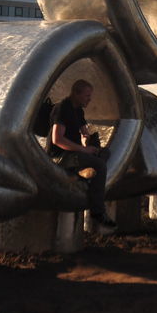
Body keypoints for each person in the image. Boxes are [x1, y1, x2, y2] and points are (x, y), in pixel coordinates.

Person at [49, 79, 116, 231]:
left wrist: (89, 142)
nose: (89, 99)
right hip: (61, 156)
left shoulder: (78, 110)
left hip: (75, 153)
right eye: (87, 96)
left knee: (105, 153)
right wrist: (83, 150)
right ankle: (97, 212)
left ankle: (88, 180)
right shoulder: (62, 109)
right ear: (76, 94)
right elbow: (57, 139)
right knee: (99, 164)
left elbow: (84, 132)